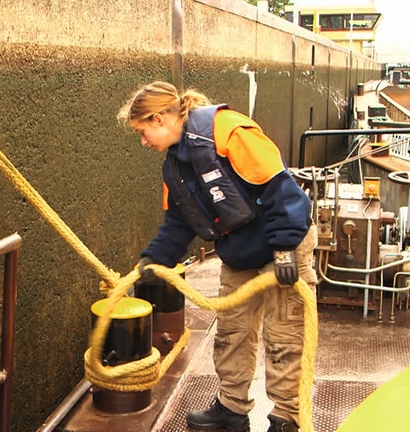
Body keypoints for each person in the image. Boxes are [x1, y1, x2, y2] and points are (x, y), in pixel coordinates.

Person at [116, 81, 317, 432]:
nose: (143, 142)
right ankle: (231, 410)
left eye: (143, 132)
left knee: (285, 334)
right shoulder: (174, 169)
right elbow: (179, 223)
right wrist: (154, 260)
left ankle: (287, 417)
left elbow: (280, 188)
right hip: (240, 250)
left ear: (160, 118)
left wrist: (285, 249)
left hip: (283, 242)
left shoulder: (227, 131)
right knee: (232, 332)